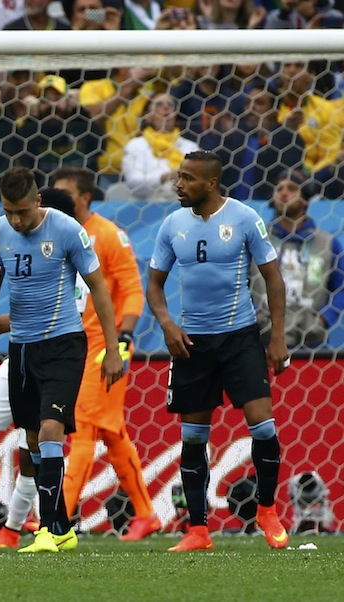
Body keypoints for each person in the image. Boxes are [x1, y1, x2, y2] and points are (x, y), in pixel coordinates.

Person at [145, 150, 291, 552]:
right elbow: (154, 285)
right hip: (192, 342)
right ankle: (198, 530)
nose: (179, 184)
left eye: (188, 178)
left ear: (210, 184)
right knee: (193, 437)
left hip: (240, 337)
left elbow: (273, 278)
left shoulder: (244, 218)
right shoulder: (172, 224)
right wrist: (168, 324)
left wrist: (276, 336)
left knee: (262, 424)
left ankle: (266, 510)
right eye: (178, 176)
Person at [0, 166, 124, 554]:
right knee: (31, 437)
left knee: (50, 429)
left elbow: (98, 286)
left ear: (38, 201)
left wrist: (112, 350)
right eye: (9, 211)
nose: (16, 220)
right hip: (22, 348)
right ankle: (61, 527)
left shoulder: (66, 230)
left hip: (64, 342)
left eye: (23, 212)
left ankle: (49, 529)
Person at [51, 166, 160, 541]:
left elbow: (132, 289)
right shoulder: (58, 234)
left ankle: (57, 519)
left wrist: (124, 339)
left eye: (65, 192)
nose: (58, 199)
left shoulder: (109, 235)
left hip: (104, 348)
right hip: (70, 345)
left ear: (84, 198)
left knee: (81, 426)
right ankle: (146, 513)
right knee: (112, 433)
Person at [251, 170, 344, 349]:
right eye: (279, 189)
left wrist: (324, 318)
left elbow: (342, 286)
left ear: (305, 199)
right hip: (262, 339)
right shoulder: (257, 240)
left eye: (292, 188)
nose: (284, 193)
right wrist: (256, 315)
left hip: (311, 341)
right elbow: (237, 282)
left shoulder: (326, 243)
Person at [121, 93, 199, 201]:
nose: (166, 107)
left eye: (170, 104)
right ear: (148, 115)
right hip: (146, 208)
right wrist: (166, 177)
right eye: (159, 104)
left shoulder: (190, 147)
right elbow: (134, 182)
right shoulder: (136, 145)